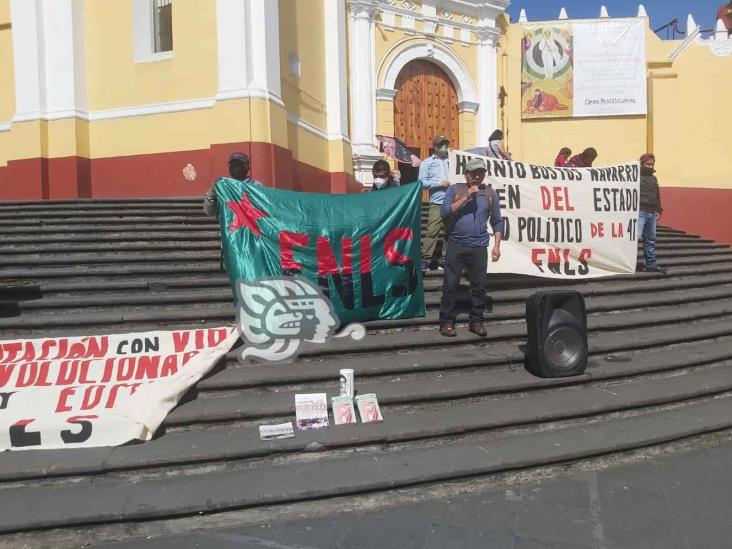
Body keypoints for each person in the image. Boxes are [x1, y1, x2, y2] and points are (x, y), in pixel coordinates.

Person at [438, 158, 503, 338]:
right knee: (450, 285)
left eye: (480, 173)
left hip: (479, 246)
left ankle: (476, 321)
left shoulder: (490, 193)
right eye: (473, 173)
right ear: (465, 173)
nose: (476, 176)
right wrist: (467, 196)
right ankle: (446, 321)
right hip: (456, 245)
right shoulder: (455, 189)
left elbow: (497, 221)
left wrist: (497, 246)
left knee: (479, 286)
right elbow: (445, 212)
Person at [419, 135, 451, 272]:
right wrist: (439, 183)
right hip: (437, 202)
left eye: (445, 144)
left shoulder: (453, 159)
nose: (444, 147)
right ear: (435, 146)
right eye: (441, 144)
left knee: (451, 232)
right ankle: (426, 259)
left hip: (452, 201)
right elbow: (422, 182)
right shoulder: (426, 163)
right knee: (432, 231)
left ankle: (446, 258)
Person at [203, 152, 262, 217]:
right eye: (233, 164)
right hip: (229, 226)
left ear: (248, 167)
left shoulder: (256, 186)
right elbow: (209, 212)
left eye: (240, 164)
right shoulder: (222, 186)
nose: (236, 166)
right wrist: (212, 194)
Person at [638, 153, 667, 274]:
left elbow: (657, 195)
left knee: (650, 240)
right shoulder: (635, 176)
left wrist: (659, 210)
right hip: (640, 211)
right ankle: (626, 264)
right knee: (634, 239)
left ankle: (651, 264)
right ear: (641, 163)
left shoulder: (654, 179)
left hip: (651, 213)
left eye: (652, 164)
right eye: (647, 164)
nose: (650, 166)